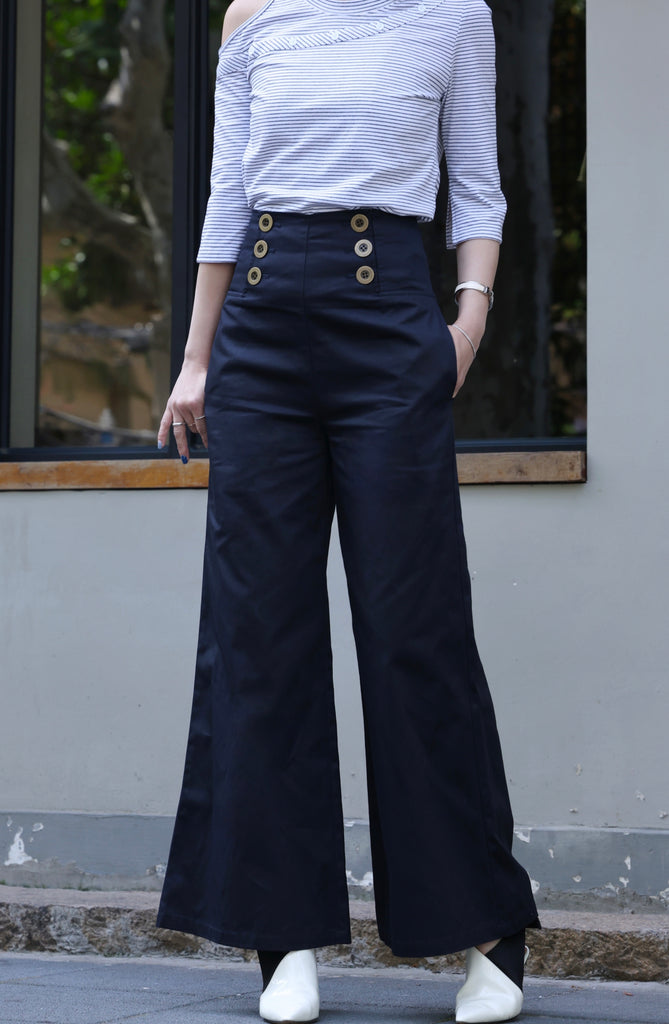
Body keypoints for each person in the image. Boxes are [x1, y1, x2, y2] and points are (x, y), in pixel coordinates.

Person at [155, 0, 541, 1020]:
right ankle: (280, 936)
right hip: (260, 330)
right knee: (259, 633)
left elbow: (477, 183)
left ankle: (486, 932)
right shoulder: (253, 16)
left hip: (389, 316)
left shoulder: (451, 16)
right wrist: (196, 357)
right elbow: (229, 191)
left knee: (416, 625)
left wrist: (466, 323)